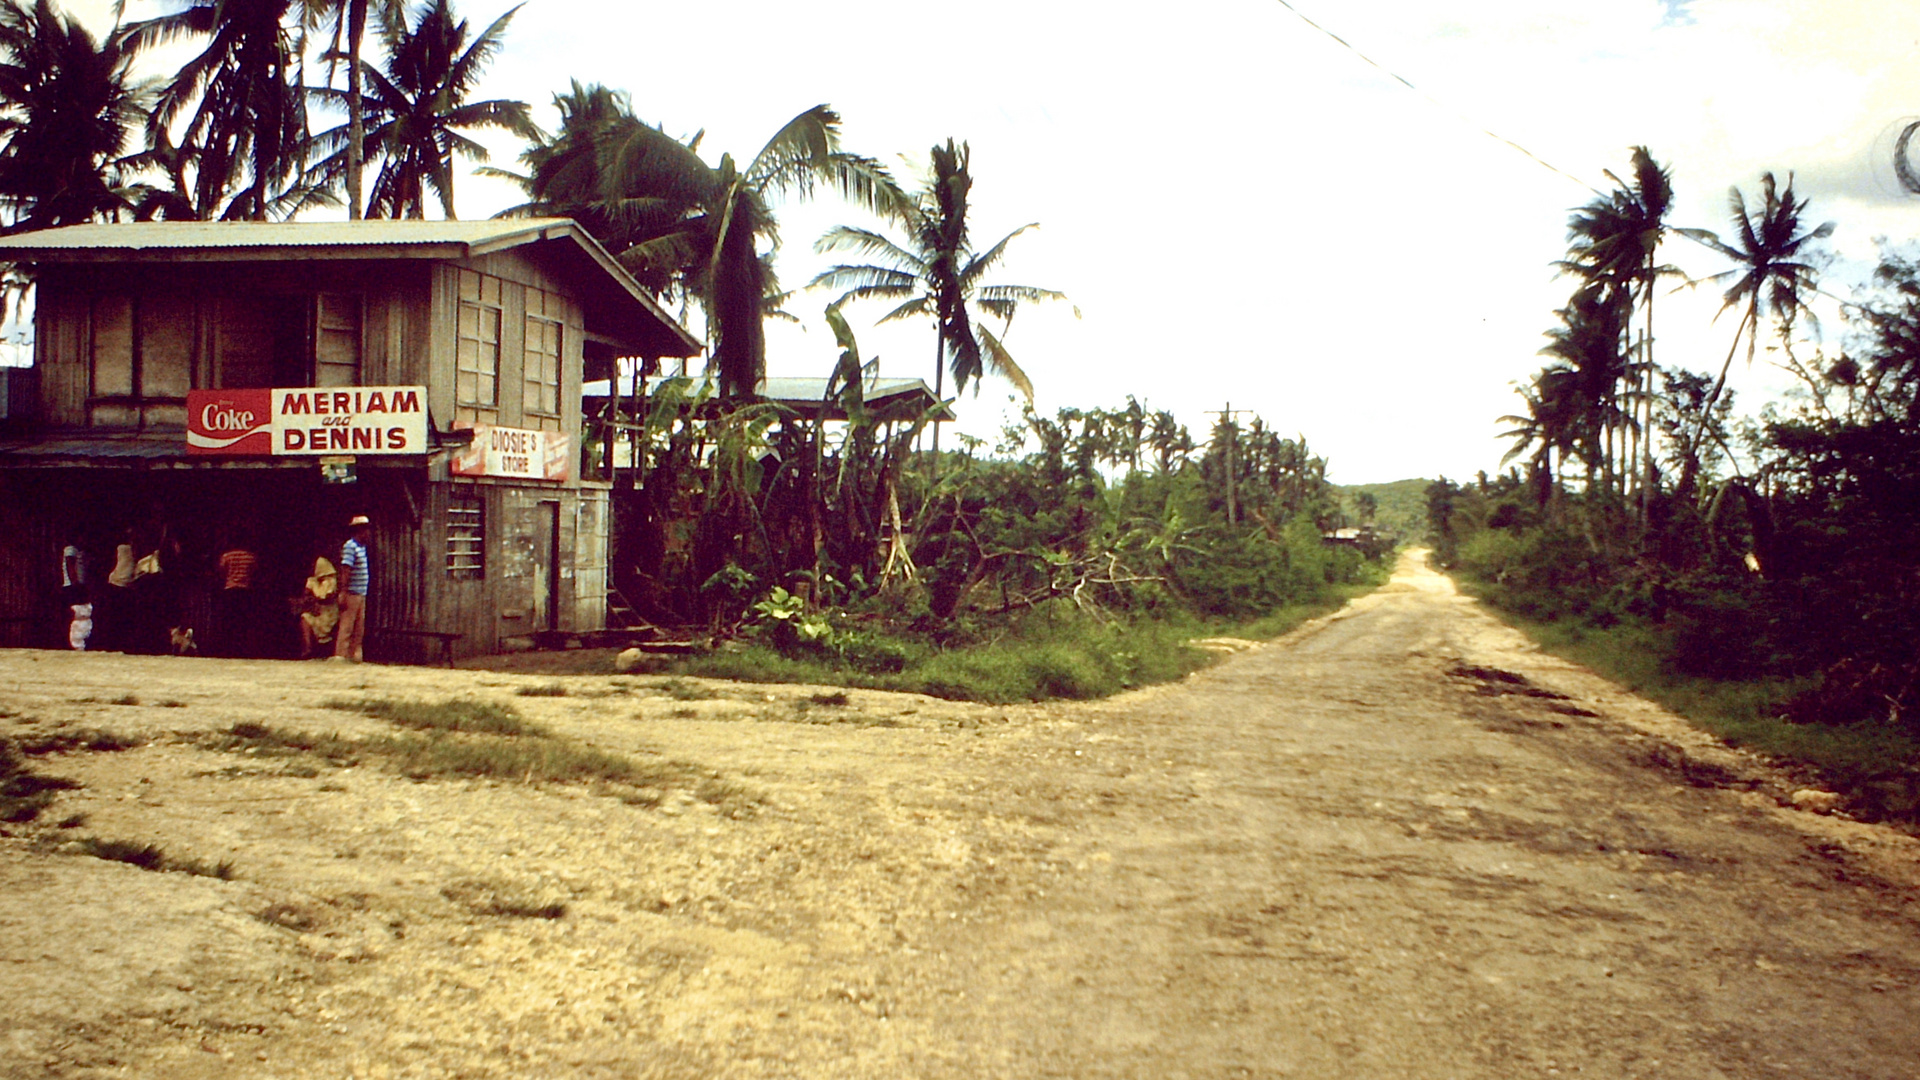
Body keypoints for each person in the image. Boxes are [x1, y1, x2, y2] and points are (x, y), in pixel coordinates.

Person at [332, 515, 371, 663]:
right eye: (366, 530)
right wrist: (343, 591)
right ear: (359, 531)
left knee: (358, 628)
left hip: (361, 592)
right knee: (347, 625)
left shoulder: (362, 547)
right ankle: (341, 655)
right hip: (352, 592)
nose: (368, 533)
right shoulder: (350, 546)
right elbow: (346, 569)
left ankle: (354, 656)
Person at [214, 532, 260, 657]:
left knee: (229, 621)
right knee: (244, 622)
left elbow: (221, 572)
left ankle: (228, 648)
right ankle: (243, 648)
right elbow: (255, 573)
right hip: (245, 591)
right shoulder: (251, 557)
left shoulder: (227, 556)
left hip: (230, 591)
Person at [296, 555, 340, 658]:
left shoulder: (331, 582)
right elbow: (306, 596)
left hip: (328, 613)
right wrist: (310, 601)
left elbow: (328, 598)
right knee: (305, 618)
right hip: (316, 612)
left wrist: (317, 600)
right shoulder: (312, 581)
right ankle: (307, 649)